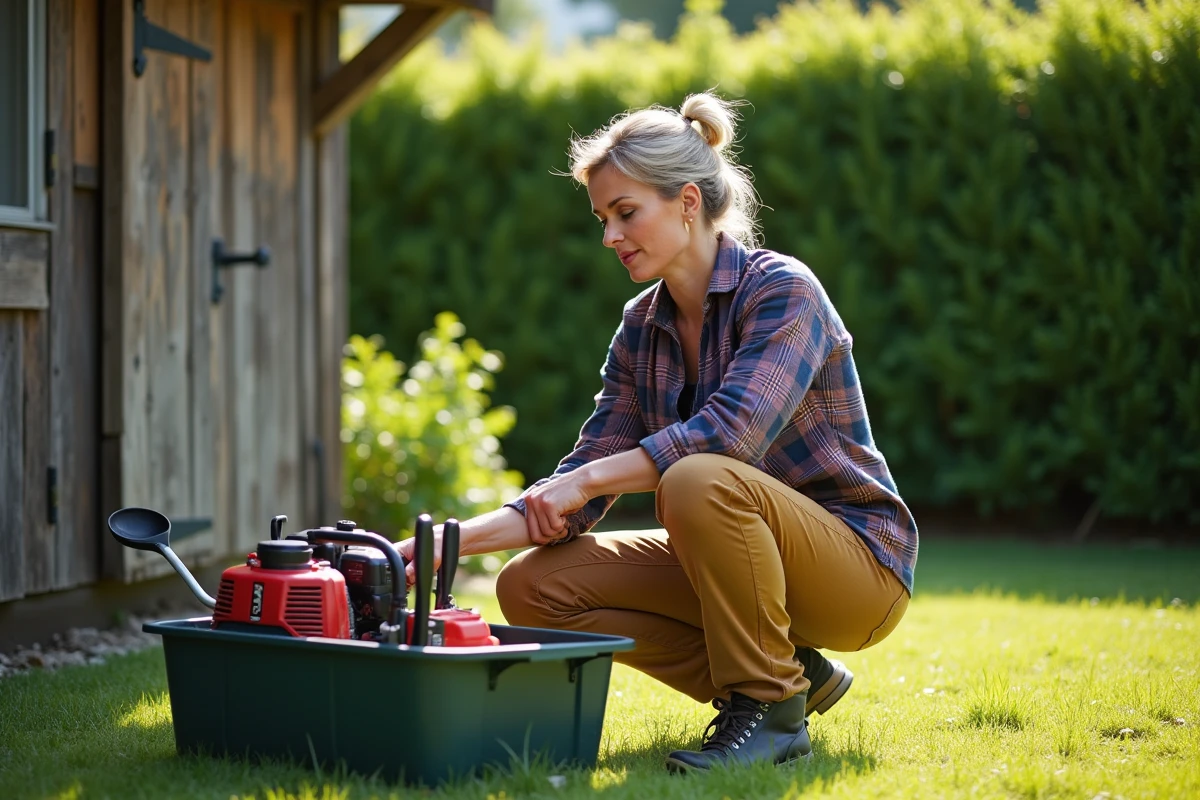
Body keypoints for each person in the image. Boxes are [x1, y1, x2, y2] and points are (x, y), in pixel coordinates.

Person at [399, 91, 918, 773]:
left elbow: (728, 435)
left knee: (697, 476)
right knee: (531, 589)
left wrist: (586, 480)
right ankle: (794, 676)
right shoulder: (642, 326)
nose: (609, 236)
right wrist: (444, 546)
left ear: (688, 203)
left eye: (625, 213)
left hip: (858, 566)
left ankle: (770, 709)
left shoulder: (783, 292)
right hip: (743, 559)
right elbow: (581, 484)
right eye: (602, 218)